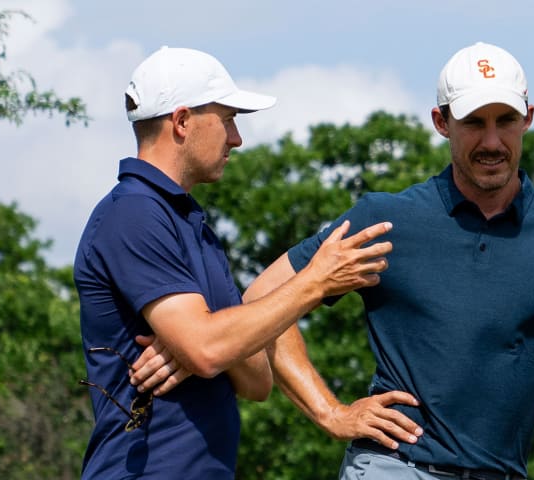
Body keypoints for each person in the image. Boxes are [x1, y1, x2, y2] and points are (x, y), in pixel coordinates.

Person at [243, 41, 534, 479]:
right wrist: (329, 411)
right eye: (474, 122)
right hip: (394, 466)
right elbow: (263, 297)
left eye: (506, 121)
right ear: (441, 122)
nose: (492, 141)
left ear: (528, 118)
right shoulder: (385, 220)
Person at [74, 46, 394, 480]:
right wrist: (315, 282)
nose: (237, 138)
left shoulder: (189, 222)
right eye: (227, 119)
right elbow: (210, 350)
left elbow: (256, 381)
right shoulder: (133, 213)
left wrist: (203, 340)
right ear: (182, 121)